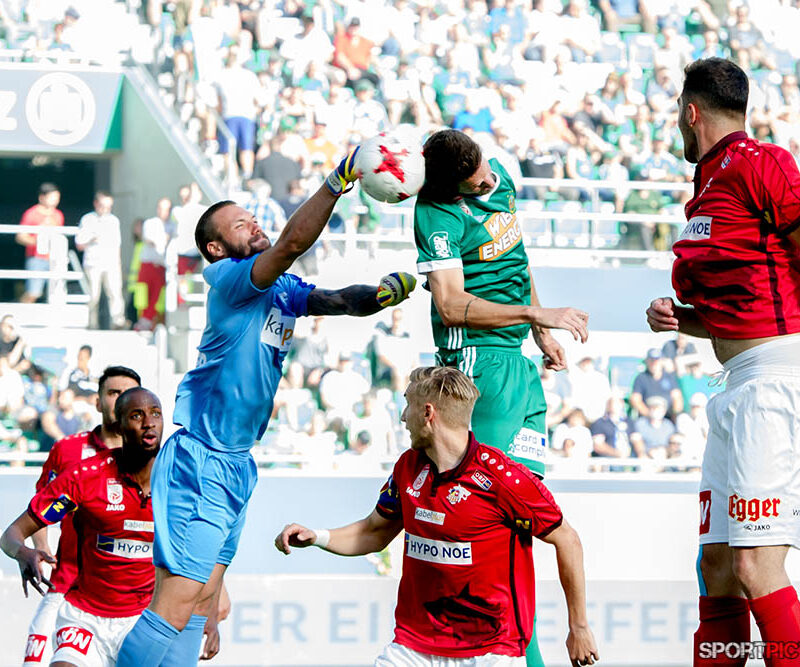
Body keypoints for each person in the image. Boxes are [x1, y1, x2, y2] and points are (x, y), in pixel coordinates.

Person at [116, 147, 417, 666]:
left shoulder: (278, 289)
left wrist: (384, 295)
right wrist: (336, 181)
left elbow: (341, 300)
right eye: (240, 223)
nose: (253, 225)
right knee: (178, 598)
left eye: (253, 217)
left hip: (236, 462)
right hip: (201, 459)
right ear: (216, 246)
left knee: (202, 600)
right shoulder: (233, 280)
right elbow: (293, 243)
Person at [275, 366, 599, 666]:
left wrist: (579, 627)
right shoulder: (407, 466)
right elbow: (374, 532)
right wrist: (316, 536)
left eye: (408, 407)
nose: (403, 417)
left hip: (490, 650)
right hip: (414, 644)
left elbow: (567, 539)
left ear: (427, 413)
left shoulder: (504, 479)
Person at [645, 58, 800, 665]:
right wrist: (683, 319)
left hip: (775, 377)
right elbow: (749, 294)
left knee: (755, 562)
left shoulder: (764, 164)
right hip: (735, 382)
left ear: (691, 112)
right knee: (716, 562)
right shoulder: (705, 188)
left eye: (677, 116)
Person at [413, 129, 588, 479]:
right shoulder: (436, 214)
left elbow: (515, 259)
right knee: (477, 487)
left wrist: (541, 333)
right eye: (477, 186)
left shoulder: (499, 175)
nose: (488, 183)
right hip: (475, 359)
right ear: (451, 188)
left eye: (487, 173)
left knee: (525, 490)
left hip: (517, 359)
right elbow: (449, 306)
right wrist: (534, 313)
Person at [0, 387, 164, 667]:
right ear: (119, 425)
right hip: (84, 617)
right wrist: (23, 553)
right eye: (136, 415)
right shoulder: (85, 478)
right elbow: (11, 535)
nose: (148, 422)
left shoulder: (179, 480)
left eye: (155, 414)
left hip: (142, 619)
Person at [76, 191, 128, 330]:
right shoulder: (87, 219)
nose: (105, 209)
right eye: (103, 205)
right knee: (92, 296)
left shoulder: (114, 221)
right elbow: (79, 244)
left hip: (111, 263)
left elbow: (117, 245)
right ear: (96, 204)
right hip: (92, 263)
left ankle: (118, 322)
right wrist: (92, 238)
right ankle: (91, 324)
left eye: (108, 206)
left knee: (115, 293)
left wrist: (118, 265)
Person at [16, 183, 64, 304]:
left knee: (56, 294)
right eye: (52, 197)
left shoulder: (58, 215)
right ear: (42, 197)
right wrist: (36, 240)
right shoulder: (31, 214)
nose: (55, 201)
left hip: (55, 258)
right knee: (33, 292)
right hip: (36, 258)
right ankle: (20, 315)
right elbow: (20, 236)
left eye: (57, 198)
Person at [137, 198, 173, 330]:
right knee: (144, 296)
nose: (163, 211)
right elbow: (149, 239)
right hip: (148, 264)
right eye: (161, 208)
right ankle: (143, 321)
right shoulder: (150, 223)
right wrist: (164, 238)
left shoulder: (172, 226)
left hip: (162, 266)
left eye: (166, 209)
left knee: (157, 297)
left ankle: (151, 322)